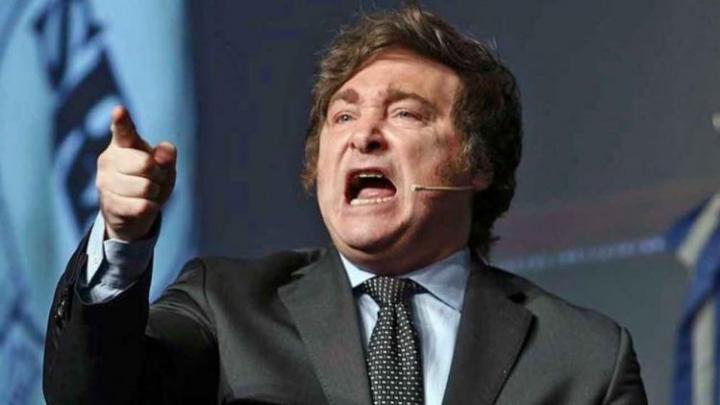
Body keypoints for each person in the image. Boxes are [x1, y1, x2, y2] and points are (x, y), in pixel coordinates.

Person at [43, 4, 647, 405]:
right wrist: (122, 242)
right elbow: (89, 395)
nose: (364, 136)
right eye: (343, 116)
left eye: (406, 113)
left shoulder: (586, 358)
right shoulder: (225, 307)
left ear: (478, 164)